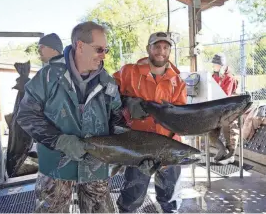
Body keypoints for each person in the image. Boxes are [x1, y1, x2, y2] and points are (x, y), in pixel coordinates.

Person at [17, 21, 125, 213]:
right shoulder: (48, 76)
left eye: (105, 50)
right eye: (99, 49)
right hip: (55, 166)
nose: (104, 55)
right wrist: (60, 141)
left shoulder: (108, 83)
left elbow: (117, 122)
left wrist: (134, 154)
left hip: (96, 164)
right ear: (80, 46)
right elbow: (26, 115)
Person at [113, 32, 187, 213]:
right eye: (156, 46)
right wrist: (126, 102)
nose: (161, 51)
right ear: (148, 49)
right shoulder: (128, 72)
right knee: (132, 196)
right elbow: (108, 95)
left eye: (165, 47)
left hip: (169, 146)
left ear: (169, 50)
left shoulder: (178, 81)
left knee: (170, 198)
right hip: (138, 146)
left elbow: (181, 114)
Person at [210, 53, 239, 165]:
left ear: (221, 65)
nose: (213, 66)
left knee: (230, 129)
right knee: (210, 132)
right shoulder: (214, 76)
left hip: (229, 109)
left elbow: (225, 95)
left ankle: (231, 155)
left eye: (215, 65)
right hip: (218, 109)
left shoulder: (229, 77)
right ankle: (222, 150)